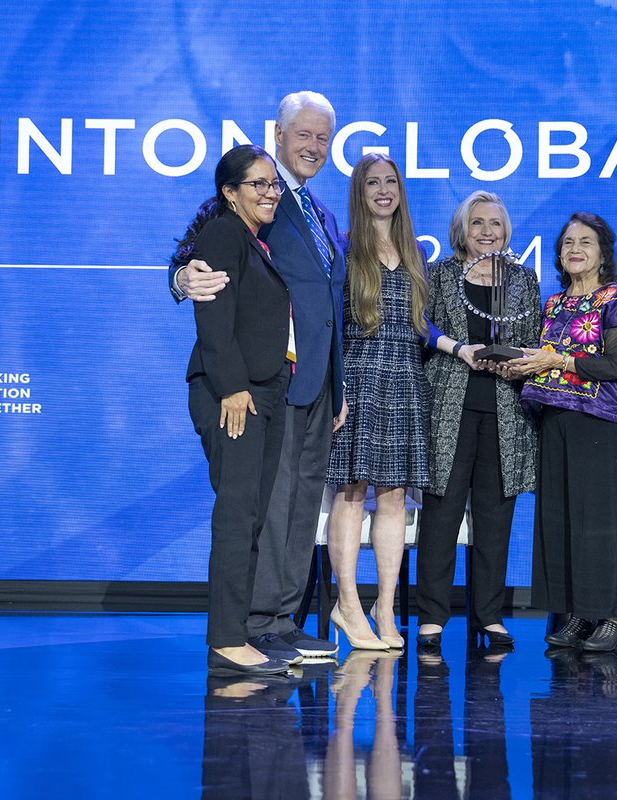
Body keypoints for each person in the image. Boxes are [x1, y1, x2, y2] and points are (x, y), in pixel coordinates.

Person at [170, 92, 346, 661]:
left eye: (323, 138)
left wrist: (338, 383)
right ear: (278, 133)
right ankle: (255, 621)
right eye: (304, 135)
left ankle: (282, 618)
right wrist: (180, 279)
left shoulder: (321, 213)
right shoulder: (250, 203)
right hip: (264, 382)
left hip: (316, 379)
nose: (314, 147)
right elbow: (200, 255)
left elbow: (328, 303)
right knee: (263, 507)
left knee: (299, 506)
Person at [504, 212, 617, 652]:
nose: (575, 249)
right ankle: (575, 615)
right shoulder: (552, 305)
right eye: (568, 242)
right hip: (556, 421)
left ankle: (609, 619)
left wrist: (557, 360)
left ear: (603, 253)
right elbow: (543, 361)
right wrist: (519, 367)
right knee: (562, 520)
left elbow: (613, 365)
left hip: (602, 422)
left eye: (586, 242)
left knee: (602, 522)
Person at [183, 144, 294, 676]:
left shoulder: (255, 239)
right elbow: (213, 313)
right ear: (230, 192)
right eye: (259, 184)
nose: (271, 192)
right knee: (236, 516)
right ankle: (227, 640)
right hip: (233, 394)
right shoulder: (225, 233)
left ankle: (238, 632)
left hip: (262, 392)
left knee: (250, 515)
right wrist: (231, 387)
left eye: (274, 184)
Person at [415, 191, 542, 648]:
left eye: (495, 223)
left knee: (495, 517)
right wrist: (460, 350)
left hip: (506, 411)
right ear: (461, 231)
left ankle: (488, 615)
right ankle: (432, 616)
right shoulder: (439, 273)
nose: (488, 231)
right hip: (448, 406)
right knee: (441, 513)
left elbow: (534, 339)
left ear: (506, 231)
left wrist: (516, 361)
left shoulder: (524, 279)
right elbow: (421, 328)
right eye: (478, 223)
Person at [324, 155, 431, 650]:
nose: (384, 191)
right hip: (358, 378)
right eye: (373, 183)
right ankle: (347, 604)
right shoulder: (343, 247)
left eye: (391, 182)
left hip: (405, 378)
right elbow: (328, 324)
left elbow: (423, 326)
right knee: (351, 493)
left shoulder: (414, 251)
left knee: (393, 498)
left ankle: (384, 609)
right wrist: (335, 389)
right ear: (359, 192)